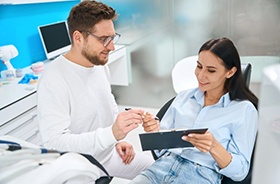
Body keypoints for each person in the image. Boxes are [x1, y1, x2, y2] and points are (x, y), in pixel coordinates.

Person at [37, 0, 154, 181]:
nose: (112, 46)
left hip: (109, 156)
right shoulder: (54, 79)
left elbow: (108, 103)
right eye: (103, 39)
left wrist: (118, 139)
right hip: (79, 166)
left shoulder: (98, 63)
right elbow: (55, 144)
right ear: (78, 38)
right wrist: (112, 134)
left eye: (112, 38)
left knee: (160, 171)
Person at [131, 37, 259, 184]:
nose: (201, 75)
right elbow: (160, 151)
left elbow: (241, 172)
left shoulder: (244, 110)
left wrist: (214, 147)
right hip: (160, 169)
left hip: (199, 176)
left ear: (230, 72)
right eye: (199, 66)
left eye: (211, 70)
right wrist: (154, 131)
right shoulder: (183, 97)